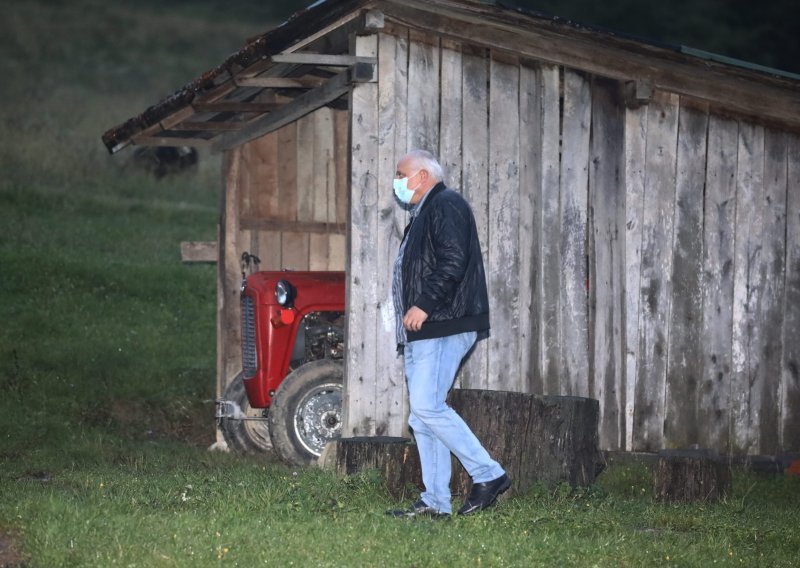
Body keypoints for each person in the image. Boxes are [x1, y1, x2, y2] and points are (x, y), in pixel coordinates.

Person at [386, 150, 510, 519]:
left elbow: (453, 259)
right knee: (421, 416)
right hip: (427, 327)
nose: (397, 182)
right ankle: (435, 501)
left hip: (441, 321)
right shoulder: (424, 212)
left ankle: (489, 474)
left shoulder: (446, 204)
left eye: (401, 174)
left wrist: (423, 304)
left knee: (427, 407)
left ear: (422, 176)